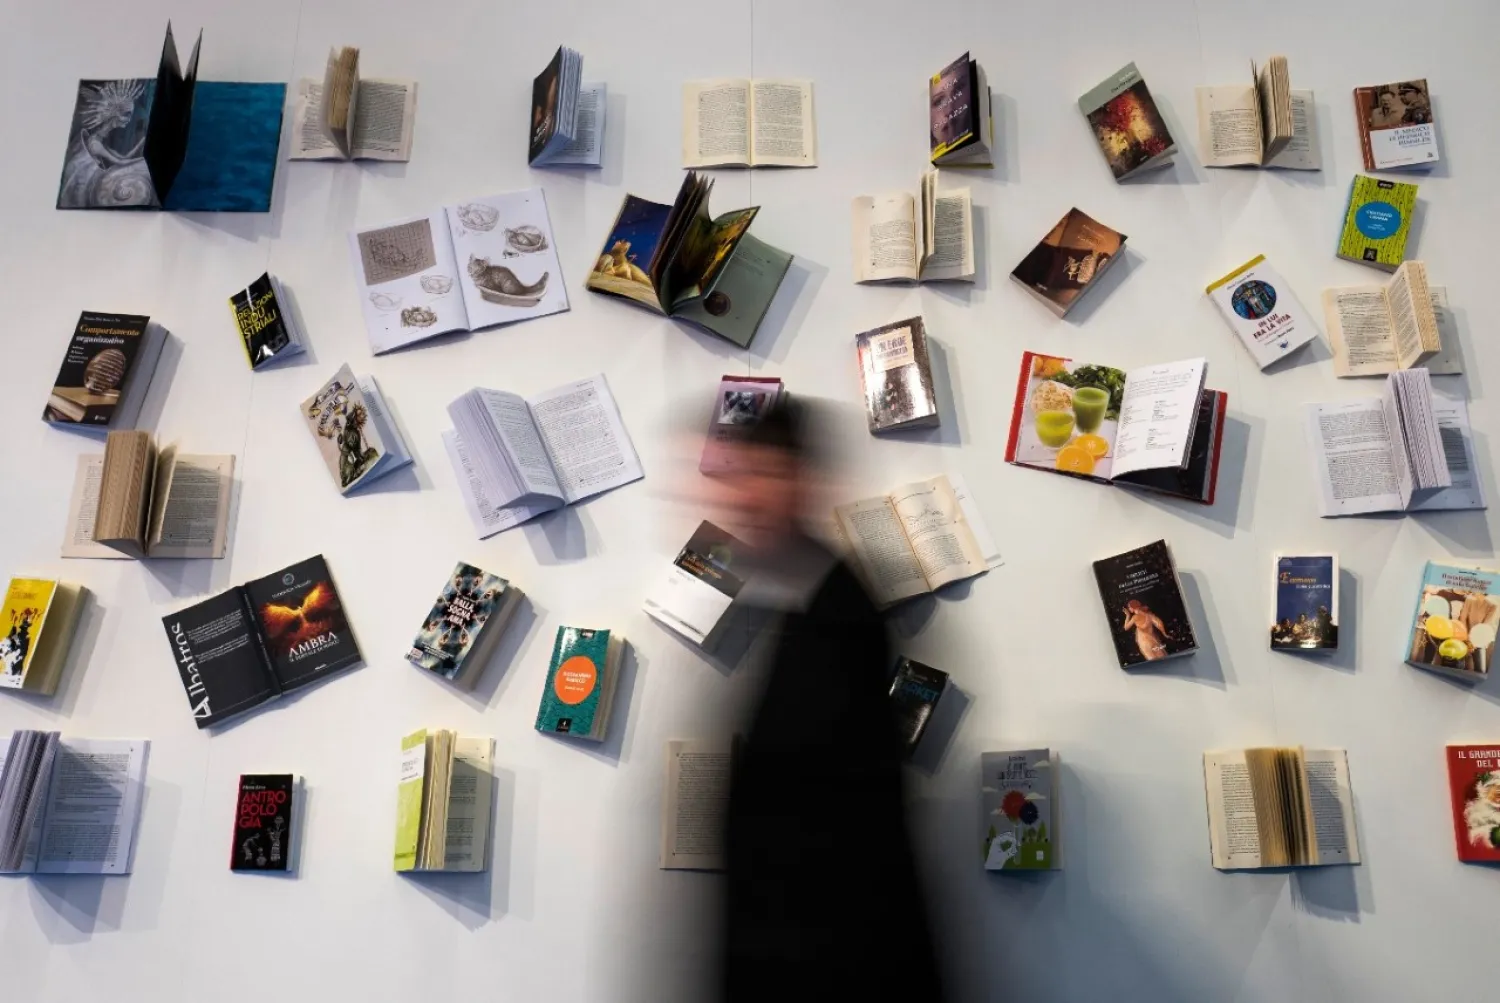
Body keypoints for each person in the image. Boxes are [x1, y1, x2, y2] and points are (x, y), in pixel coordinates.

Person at [709, 399, 945, 1002]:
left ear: (801, 479)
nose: (743, 497)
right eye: (740, 477)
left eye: (761, 476)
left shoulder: (840, 614)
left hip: (835, 960)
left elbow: (836, 830)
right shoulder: (781, 598)